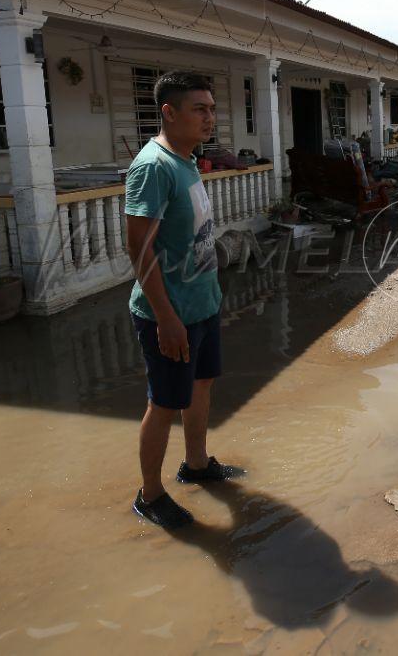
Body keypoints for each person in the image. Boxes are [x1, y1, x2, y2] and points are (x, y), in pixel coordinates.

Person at [125, 71, 238, 530]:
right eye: (200, 109)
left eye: (212, 108)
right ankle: (150, 495)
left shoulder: (186, 159)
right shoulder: (153, 166)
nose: (210, 117)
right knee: (164, 403)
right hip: (168, 313)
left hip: (201, 303)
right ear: (169, 112)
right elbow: (139, 247)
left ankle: (196, 463)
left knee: (202, 384)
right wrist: (166, 318)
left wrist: (208, 295)